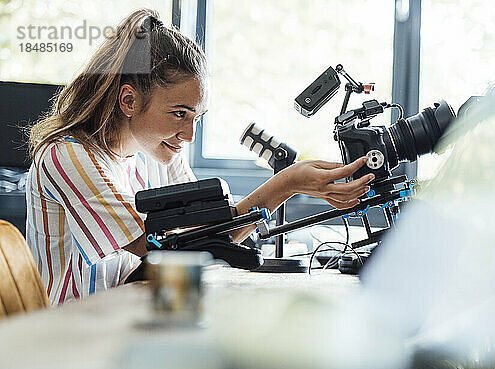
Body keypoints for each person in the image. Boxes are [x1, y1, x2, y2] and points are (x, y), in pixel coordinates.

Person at [26, 9, 374, 305]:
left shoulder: (158, 153)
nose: (189, 135)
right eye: (179, 113)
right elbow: (165, 248)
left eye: (197, 118)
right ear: (129, 101)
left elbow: (213, 235)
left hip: (131, 319)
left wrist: (290, 185)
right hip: (73, 336)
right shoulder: (66, 156)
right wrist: (286, 183)